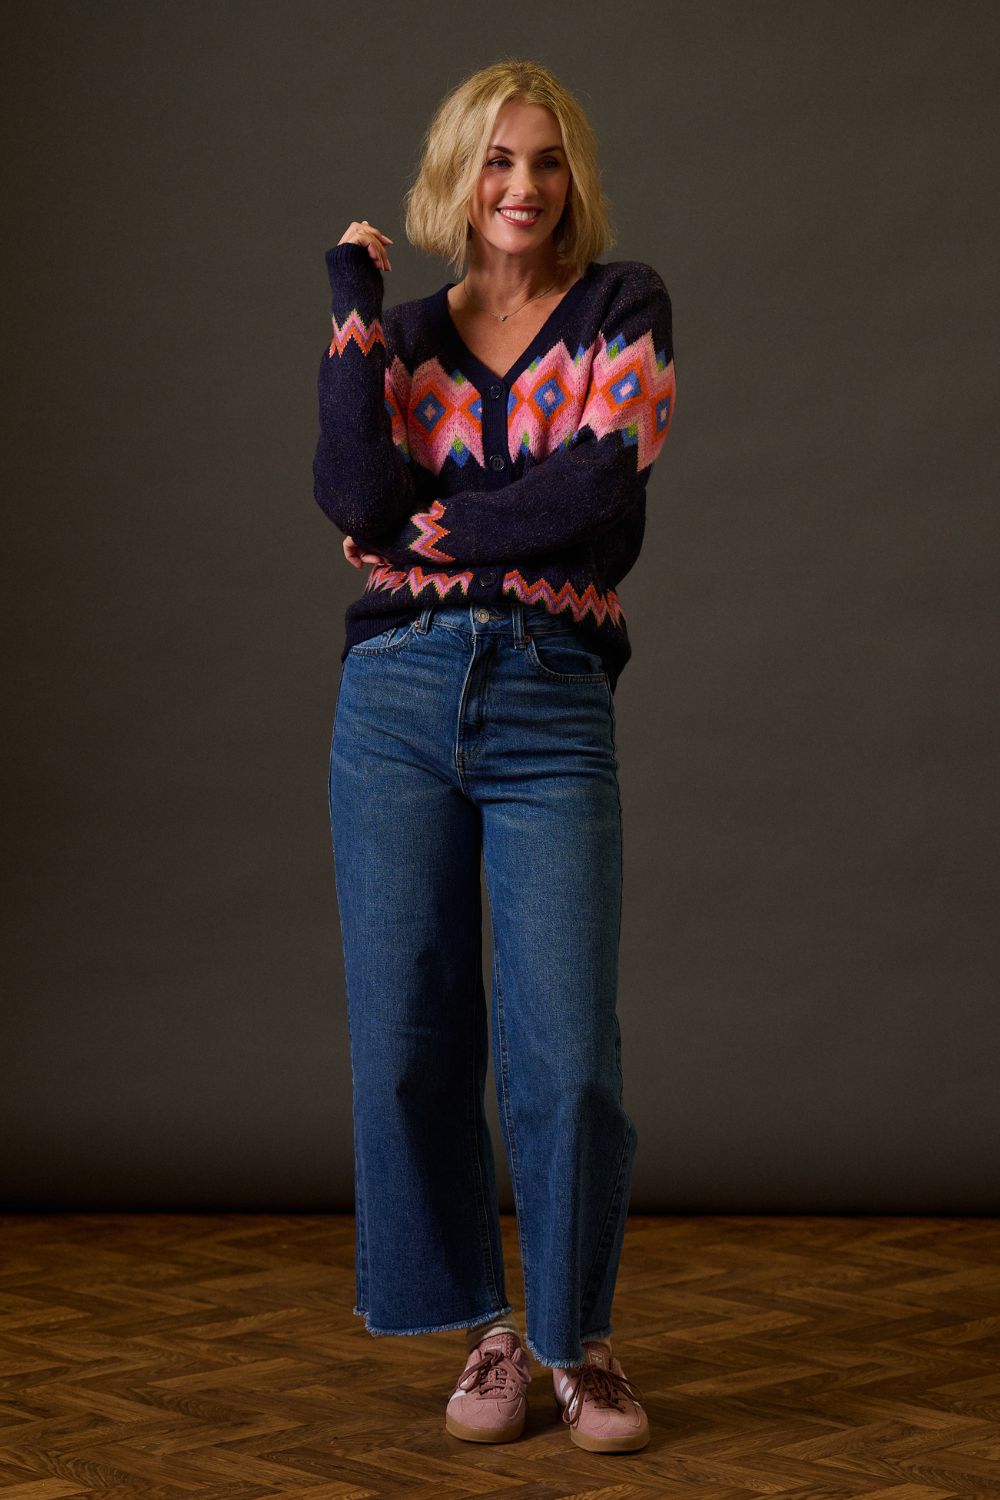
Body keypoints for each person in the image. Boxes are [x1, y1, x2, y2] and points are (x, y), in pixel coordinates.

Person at [313, 57, 677, 1453]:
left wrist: (426, 533)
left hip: (549, 701)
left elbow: (601, 495)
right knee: (408, 1034)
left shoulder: (620, 305)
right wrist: (351, 311)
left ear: (572, 180)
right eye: (495, 161)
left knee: (567, 1048)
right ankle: (485, 1335)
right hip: (393, 704)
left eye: (546, 161)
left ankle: (580, 1343)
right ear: (455, 179)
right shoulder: (396, 335)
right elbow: (350, 489)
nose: (522, 187)